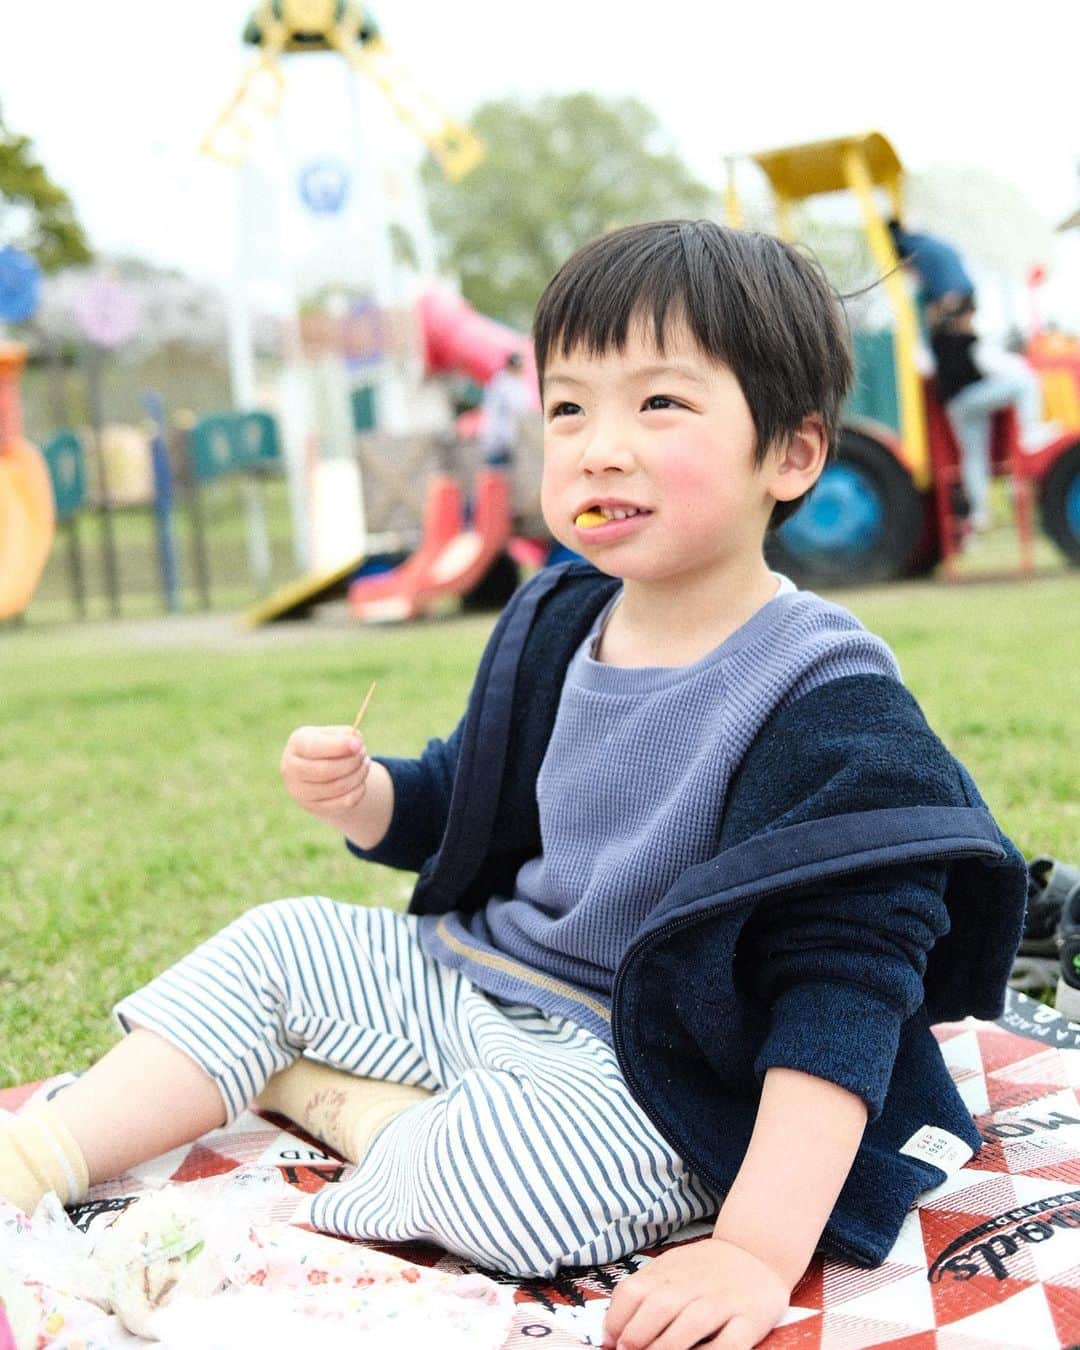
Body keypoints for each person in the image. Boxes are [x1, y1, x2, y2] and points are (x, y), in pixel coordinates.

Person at [1, 221, 1026, 1350]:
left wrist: (753, 1249)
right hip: (483, 978)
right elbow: (463, 801)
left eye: (660, 405)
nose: (596, 446)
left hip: (653, 1066)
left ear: (790, 453)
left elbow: (841, 995)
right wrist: (366, 799)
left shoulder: (824, 698)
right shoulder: (562, 618)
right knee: (274, 941)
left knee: (518, 1190)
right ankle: (37, 1154)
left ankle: (316, 1091)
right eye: (570, 408)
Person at [888, 218, 1055, 529]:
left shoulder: (938, 335)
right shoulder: (961, 338)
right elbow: (987, 365)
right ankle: (1031, 431)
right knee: (1025, 382)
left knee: (973, 458)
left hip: (956, 405)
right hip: (968, 399)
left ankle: (979, 515)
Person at [478, 348, 531, 469]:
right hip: (498, 440)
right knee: (498, 479)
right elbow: (519, 408)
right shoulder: (504, 384)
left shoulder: (509, 383)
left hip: (504, 440)